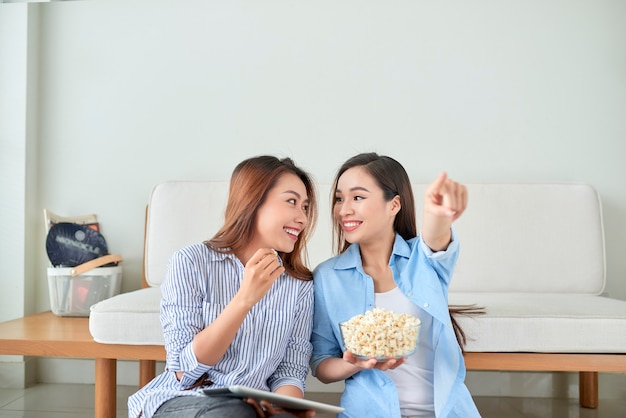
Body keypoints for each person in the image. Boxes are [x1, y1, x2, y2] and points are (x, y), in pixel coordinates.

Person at [128, 155, 319, 418]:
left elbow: (290, 372)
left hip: (254, 409)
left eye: (305, 207)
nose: (302, 218)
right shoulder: (191, 262)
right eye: (291, 202)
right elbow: (184, 370)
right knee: (232, 412)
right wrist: (244, 300)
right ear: (253, 201)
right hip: (185, 400)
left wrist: (286, 411)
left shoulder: (299, 285)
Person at [310, 153, 481, 418]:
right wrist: (355, 363)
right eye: (339, 198)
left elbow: (435, 238)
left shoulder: (422, 261)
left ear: (394, 205)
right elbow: (322, 363)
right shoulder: (327, 277)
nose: (344, 210)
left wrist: (437, 213)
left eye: (358, 197)